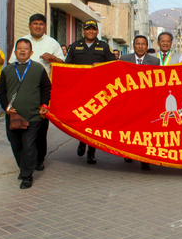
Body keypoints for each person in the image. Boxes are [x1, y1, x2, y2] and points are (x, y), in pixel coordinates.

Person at [9, 13, 64, 172]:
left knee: (40, 128)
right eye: (35, 23)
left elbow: (63, 64)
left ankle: (39, 158)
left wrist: (53, 57)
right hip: (22, 90)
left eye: (41, 24)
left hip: (42, 90)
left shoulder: (52, 43)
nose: (38, 26)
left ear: (45, 26)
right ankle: (25, 158)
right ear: (29, 25)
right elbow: (12, 64)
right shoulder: (22, 42)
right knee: (20, 127)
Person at [0, 39, 51, 189]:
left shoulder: (38, 69)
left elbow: (46, 88)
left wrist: (44, 104)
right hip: (13, 116)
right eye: (19, 49)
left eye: (25, 49)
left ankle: (27, 176)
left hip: (33, 115)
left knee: (29, 145)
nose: (22, 51)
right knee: (15, 143)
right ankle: (24, 168)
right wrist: (6, 107)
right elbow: (0, 91)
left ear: (31, 52)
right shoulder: (7, 70)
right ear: (14, 52)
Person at [65, 19, 116, 164]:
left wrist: (102, 65)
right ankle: (82, 140)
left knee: (94, 121)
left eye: (93, 29)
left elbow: (113, 64)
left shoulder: (104, 46)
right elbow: (67, 66)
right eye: (88, 29)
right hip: (80, 90)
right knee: (82, 118)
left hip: (98, 90)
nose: (91, 31)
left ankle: (92, 152)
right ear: (84, 31)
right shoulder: (74, 46)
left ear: (97, 31)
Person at [119, 35, 159, 170]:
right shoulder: (124, 59)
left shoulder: (154, 61)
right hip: (129, 100)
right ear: (133, 45)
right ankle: (129, 153)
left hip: (147, 102)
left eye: (143, 44)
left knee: (145, 130)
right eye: (138, 44)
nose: (140, 46)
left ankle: (144, 158)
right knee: (130, 129)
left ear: (147, 46)